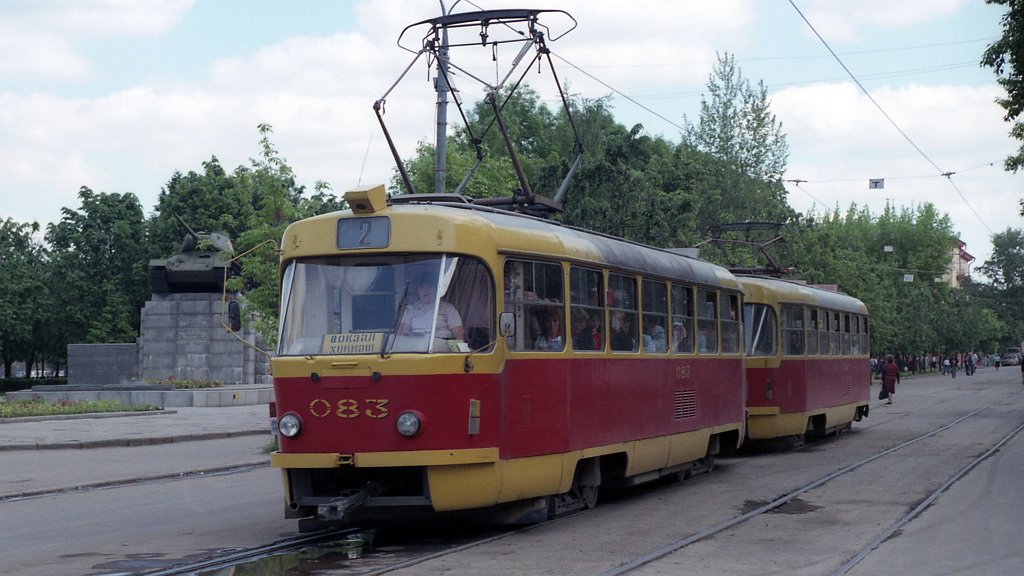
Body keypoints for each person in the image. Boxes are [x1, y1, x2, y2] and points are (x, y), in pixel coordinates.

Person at [398, 277, 464, 341]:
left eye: (429, 287)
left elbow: (458, 332)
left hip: (441, 346)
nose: (425, 291)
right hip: (415, 346)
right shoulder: (410, 310)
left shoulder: (448, 308)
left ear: (436, 289)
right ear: (417, 290)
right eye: (422, 287)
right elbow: (401, 332)